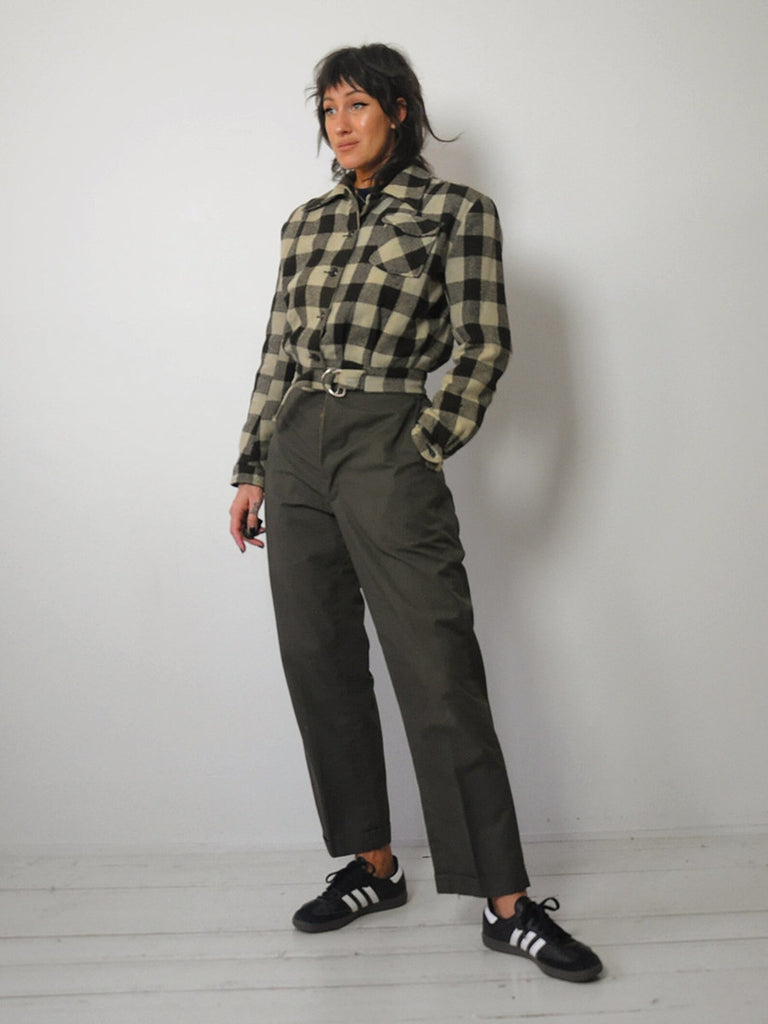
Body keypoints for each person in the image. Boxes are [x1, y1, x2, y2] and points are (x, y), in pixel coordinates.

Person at [229, 43, 601, 984]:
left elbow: (484, 342)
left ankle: (506, 903)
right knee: (318, 660)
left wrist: (426, 440)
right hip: (297, 447)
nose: (339, 123)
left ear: (398, 110)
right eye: (327, 109)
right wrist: (252, 466)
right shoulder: (305, 223)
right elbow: (276, 351)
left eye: (356, 104)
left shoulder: (456, 212)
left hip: (387, 438)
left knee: (437, 669)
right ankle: (373, 864)